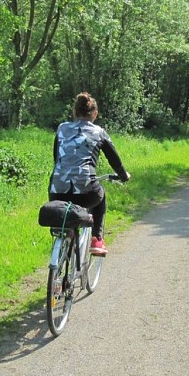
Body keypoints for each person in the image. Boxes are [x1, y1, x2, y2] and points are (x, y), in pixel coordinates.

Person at [48, 92, 130, 256]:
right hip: (86, 193)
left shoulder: (62, 128)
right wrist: (123, 175)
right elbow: (114, 160)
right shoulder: (98, 132)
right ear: (95, 114)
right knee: (100, 193)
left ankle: (64, 234)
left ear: (74, 113)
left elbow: (57, 158)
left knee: (60, 193)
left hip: (56, 191)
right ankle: (97, 239)